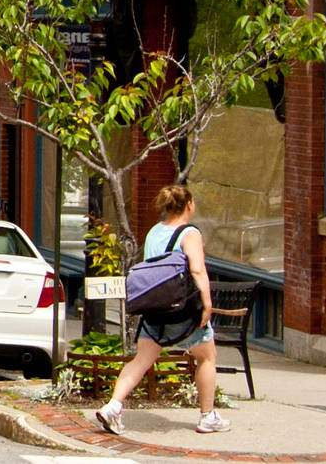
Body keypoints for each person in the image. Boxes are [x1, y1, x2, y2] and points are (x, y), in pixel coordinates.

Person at [93, 184, 227, 436]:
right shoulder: (190, 233)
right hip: (184, 310)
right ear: (188, 205)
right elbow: (197, 270)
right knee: (207, 358)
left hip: (154, 309)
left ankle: (113, 406)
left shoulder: (154, 232)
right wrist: (207, 304)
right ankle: (207, 416)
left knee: (141, 360)